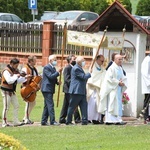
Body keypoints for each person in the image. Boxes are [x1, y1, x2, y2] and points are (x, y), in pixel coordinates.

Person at [0, 58, 31, 127]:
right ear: (12, 64)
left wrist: (25, 78)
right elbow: (9, 81)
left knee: (16, 105)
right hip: (5, 90)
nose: (17, 67)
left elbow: (17, 81)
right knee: (6, 107)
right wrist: (16, 76)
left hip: (12, 91)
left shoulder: (15, 71)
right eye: (16, 65)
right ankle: (4, 122)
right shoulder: (6, 71)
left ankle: (15, 121)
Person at [98, 54, 127, 125]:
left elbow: (123, 77)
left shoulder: (120, 68)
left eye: (121, 59)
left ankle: (118, 119)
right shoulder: (111, 68)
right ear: (115, 59)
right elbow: (109, 79)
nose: (121, 61)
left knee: (117, 105)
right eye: (119, 59)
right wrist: (117, 82)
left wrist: (123, 82)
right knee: (112, 104)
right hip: (112, 89)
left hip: (118, 89)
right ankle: (110, 120)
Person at [66, 56, 91, 125]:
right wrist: (89, 73)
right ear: (79, 62)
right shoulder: (76, 68)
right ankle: (68, 121)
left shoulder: (79, 68)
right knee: (72, 106)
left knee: (84, 106)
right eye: (83, 61)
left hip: (81, 90)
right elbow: (84, 77)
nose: (84, 62)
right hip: (76, 91)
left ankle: (84, 120)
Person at [41, 55, 63, 126]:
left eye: (56, 60)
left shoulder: (53, 68)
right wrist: (58, 72)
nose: (56, 61)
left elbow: (53, 78)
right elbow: (50, 76)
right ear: (50, 60)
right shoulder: (46, 67)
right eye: (54, 60)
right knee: (50, 105)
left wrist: (57, 82)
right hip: (46, 89)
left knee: (47, 105)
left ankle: (43, 121)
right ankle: (52, 121)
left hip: (50, 88)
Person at [59, 55, 81, 124]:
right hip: (68, 89)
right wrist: (74, 83)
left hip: (72, 89)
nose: (75, 60)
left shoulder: (75, 68)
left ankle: (62, 118)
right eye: (73, 59)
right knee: (73, 104)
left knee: (66, 105)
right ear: (70, 61)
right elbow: (67, 79)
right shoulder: (67, 68)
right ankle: (76, 119)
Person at [87, 55, 106, 124]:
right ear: (97, 60)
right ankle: (89, 118)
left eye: (103, 61)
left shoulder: (102, 68)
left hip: (99, 88)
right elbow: (93, 77)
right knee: (92, 103)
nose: (102, 62)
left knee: (97, 104)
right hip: (93, 88)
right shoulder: (93, 67)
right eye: (101, 61)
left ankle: (96, 118)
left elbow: (104, 74)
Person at [21, 55, 39, 124]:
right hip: (26, 88)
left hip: (32, 88)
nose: (35, 62)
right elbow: (22, 77)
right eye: (34, 60)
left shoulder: (34, 68)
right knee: (28, 103)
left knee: (33, 103)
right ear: (31, 61)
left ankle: (26, 117)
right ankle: (26, 119)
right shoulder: (25, 68)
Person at [141, 54, 150, 124]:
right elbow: (144, 73)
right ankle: (146, 117)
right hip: (148, 85)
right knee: (147, 101)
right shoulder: (147, 59)